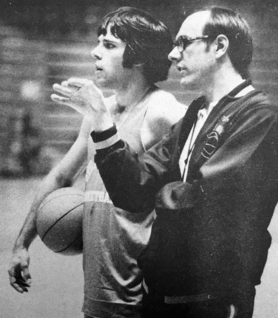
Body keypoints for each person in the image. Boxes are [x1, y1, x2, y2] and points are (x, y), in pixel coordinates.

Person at [52, 5, 278, 318]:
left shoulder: (262, 117)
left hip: (212, 299)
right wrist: (101, 119)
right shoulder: (196, 113)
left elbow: (203, 201)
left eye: (183, 43)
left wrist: (156, 200)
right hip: (163, 296)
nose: (172, 54)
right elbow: (132, 191)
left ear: (219, 46)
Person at [8, 7, 186, 318]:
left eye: (108, 45)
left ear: (139, 56)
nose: (94, 51)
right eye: (98, 42)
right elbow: (61, 177)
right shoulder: (98, 112)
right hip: (100, 294)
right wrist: (22, 244)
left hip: (143, 298)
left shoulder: (161, 111)